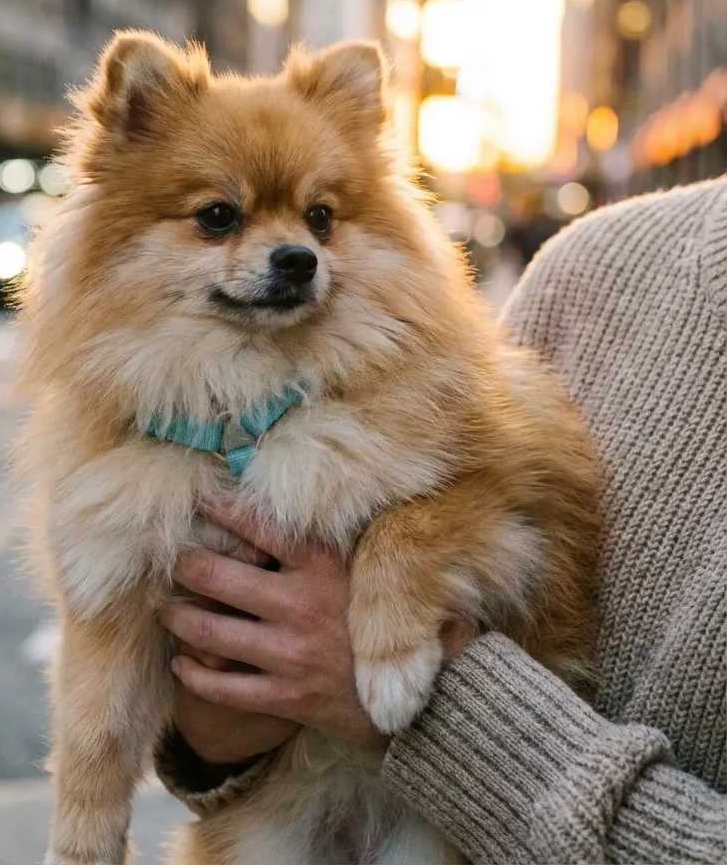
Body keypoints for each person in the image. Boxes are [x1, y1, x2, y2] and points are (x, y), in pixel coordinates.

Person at [156, 177, 727, 863]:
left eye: (318, 217)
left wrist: (440, 717)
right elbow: (222, 759)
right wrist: (216, 736)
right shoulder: (593, 263)